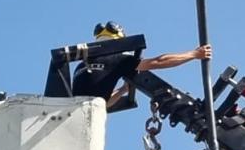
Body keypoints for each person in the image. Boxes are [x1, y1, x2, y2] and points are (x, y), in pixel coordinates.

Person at [45, 21, 211, 109]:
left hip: (75, 113)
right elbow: (158, 62)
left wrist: (124, 90)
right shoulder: (118, 58)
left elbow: (103, 102)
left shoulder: (81, 64)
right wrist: (194, 54)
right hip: (86, 114)